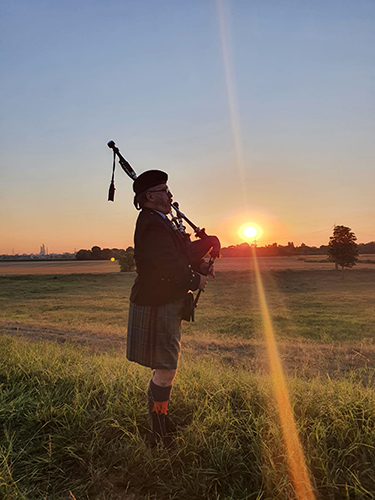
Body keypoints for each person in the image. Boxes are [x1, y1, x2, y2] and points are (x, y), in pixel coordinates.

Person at [126, 170, 213, 447]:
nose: (170, 195)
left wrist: (198, 263)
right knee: (165, 370)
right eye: (164, 190)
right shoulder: (152, 224)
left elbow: (177, 255)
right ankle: (158, 432)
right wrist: (194, 278)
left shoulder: (159, 221)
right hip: (158, 301)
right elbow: (166, 265)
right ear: (150, 196)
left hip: (163, 300)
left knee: (165, 369)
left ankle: (161, 423)